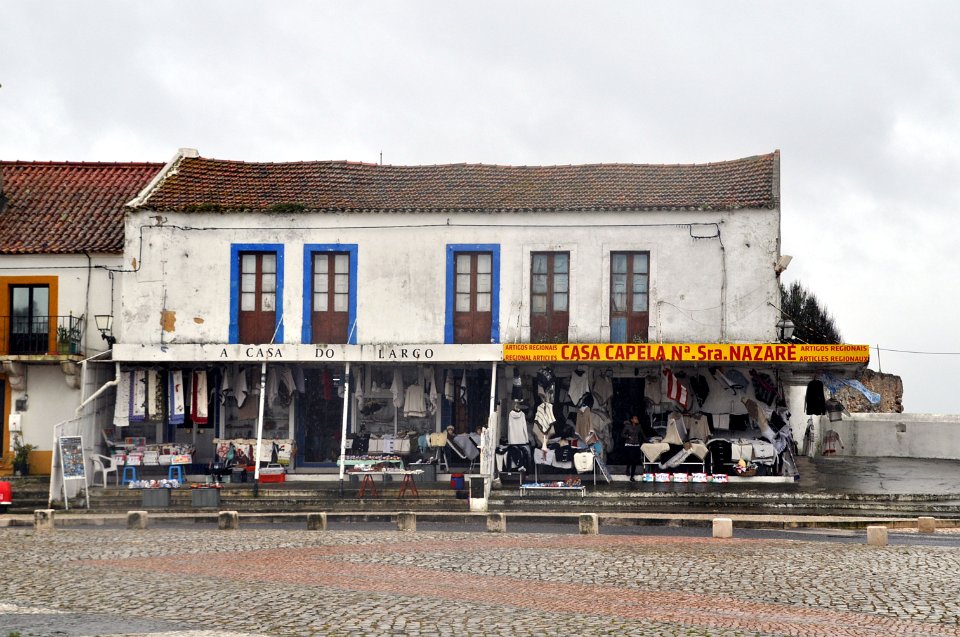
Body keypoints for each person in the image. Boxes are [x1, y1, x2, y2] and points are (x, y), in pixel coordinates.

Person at [622, 415, 643, 481]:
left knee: (634, 461)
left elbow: (643, 435)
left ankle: (632, 476)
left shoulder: (639, 426)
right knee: (630, 459)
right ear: (632, 420)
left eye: (637, 418)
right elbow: (622, 434)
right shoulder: (627, 426)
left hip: (636, 445)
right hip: (629, 445)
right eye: (635, 418)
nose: (636, 419)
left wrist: (649, 441)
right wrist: (628, 436)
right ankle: (628, 468)